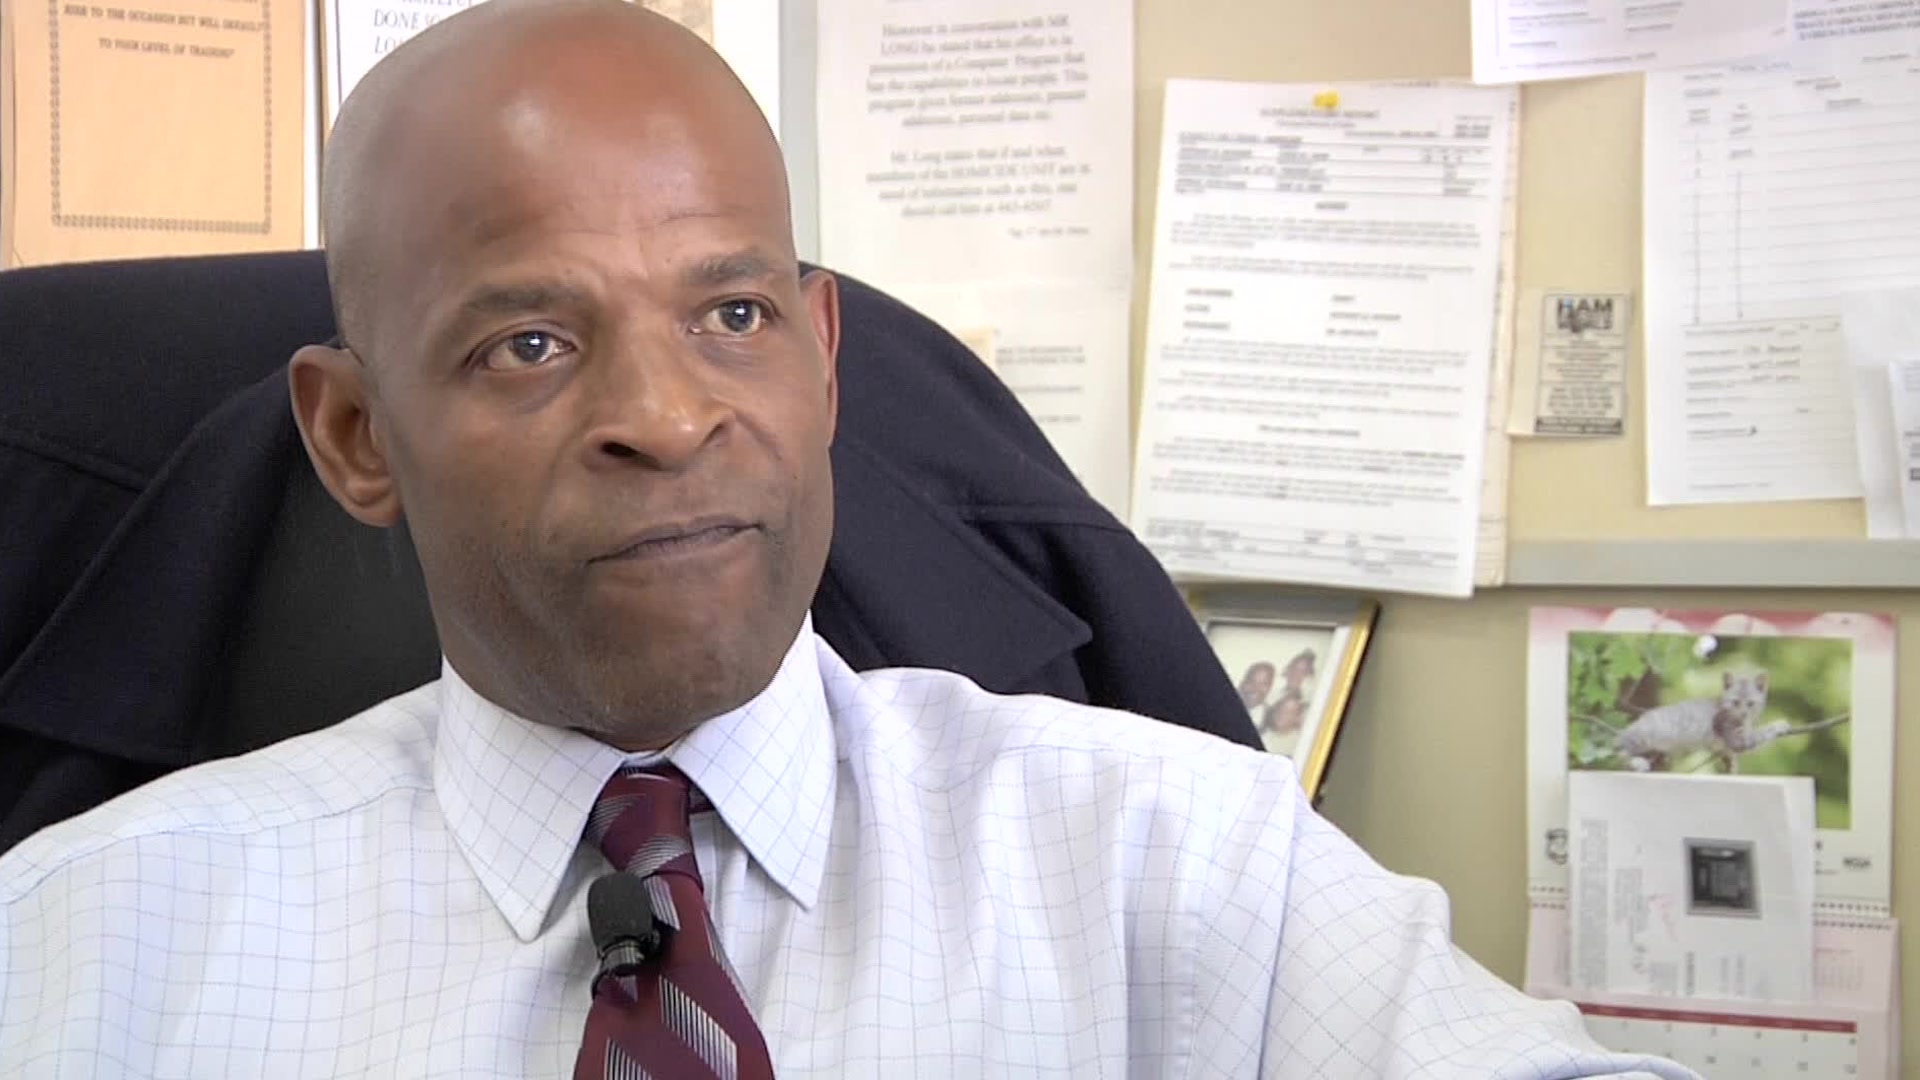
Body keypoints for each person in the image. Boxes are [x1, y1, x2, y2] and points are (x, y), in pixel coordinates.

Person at [0, 2, 1697, 1076]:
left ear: (821, 357)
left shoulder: (1176, 865)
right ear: (357, 439)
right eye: (528, 343)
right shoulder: (88, 943)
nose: (667, 416)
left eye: (731, 314)